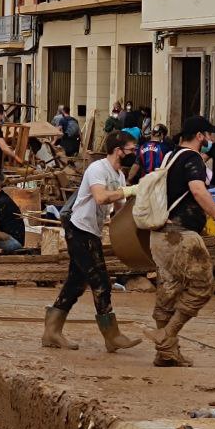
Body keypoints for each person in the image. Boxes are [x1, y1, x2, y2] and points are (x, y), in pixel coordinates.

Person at [43, 131, 141, 352]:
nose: (134, 154)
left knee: (75, 284)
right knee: (100, 281)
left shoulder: (119, 176)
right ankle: (112, 335)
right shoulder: (98, 169)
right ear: (119, 151)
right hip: (79, 230)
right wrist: (129, 190)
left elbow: (120, 211)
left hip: (92, 232)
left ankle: (51, 331)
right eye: (131, 150)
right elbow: (100, 197)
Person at [144, 116, 215, 368]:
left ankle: (166, 353)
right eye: (209, 135)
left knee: (169, 290)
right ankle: (167, 334)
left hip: (160, 233)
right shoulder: (192, 159)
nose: (211, 140)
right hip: (181, 235)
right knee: (202, 286)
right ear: (200, 135)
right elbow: (198, 190)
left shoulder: (170, 156)